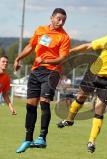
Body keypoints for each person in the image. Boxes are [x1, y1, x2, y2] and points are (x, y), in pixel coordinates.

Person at [14, 8, 71, 153]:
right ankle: (28, 139)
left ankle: (42, 137)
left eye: (64, 20)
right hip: (36, 71)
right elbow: (30, 46)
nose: (61, 22)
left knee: (44, 103)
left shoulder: (64, 37)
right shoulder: (40, 30)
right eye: (58, 18)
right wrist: (18, 58)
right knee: (30, 106)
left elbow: (62, 58)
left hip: (52, 72)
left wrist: (45, 59)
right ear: (51, 17)